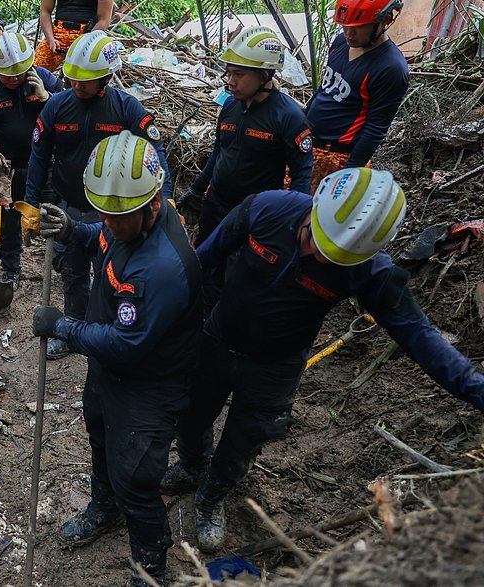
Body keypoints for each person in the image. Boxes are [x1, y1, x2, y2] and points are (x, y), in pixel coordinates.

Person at [167, 169, 484, 554]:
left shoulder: (369, 271)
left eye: (333, 256)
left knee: (245, 439)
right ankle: (192, 465)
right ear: (315, 207)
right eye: (314, 239)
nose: (316, 255)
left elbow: (420, 336)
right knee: (191, 411)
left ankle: (212, 495)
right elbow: (202, 260)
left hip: (276, 367)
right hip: (218, 337)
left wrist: (476, 389)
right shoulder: (266, 209)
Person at [31, 132, 202, 586]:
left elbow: (129, 343)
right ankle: (104, 509)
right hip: (108, 368)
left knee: (136, 477)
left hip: (149, 383)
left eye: (117, 216)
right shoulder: (124, 218)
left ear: (152, 204)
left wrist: (64, 327)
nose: (108, 222)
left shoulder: (161, 266)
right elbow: (103, 238)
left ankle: (151, 567)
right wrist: (74, 229)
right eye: (103, 212)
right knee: (101, 440)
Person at [25, 32, 172, 358]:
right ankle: (75, 324)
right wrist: (31, 206)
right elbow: (38, 157)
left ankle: (110, 328)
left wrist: (169, 199)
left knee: (114, 272)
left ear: (106, 77)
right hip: (70, 204)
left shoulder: (126, 108)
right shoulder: (57, 107)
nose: (78, 86)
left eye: (86, 81)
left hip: (115, 210)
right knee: (72, 270)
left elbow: (155, 152)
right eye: (73, 79)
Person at [177, 27, 314, 246]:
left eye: (239, 74)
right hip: (215, 207)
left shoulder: (289, 117)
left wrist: (291, 221)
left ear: (264, 75)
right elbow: (219, 152)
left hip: (254, 217)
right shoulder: (230, 105)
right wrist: (197, 189)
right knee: (202, 268)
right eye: (228, 72)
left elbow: (301, 175)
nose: (230, 81)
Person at [0, 33, 62, 282]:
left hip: (44, 163)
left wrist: (47, 98)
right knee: (7, 221)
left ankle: (65, 266)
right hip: (6, 168)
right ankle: (11, 268)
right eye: (8, 73)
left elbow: (69, 110)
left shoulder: (44, 78)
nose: (15, 77)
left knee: (55, 215)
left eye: (19, 71)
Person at [305, 0, 409, 188]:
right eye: (345, 26)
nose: (349, 33)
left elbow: (375, 130)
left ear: (385, 20)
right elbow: (324, 90)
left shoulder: (390, 67)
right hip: (308, 143)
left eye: (358, 26)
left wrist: (347, 176)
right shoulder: (341, 42)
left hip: (339, 157)